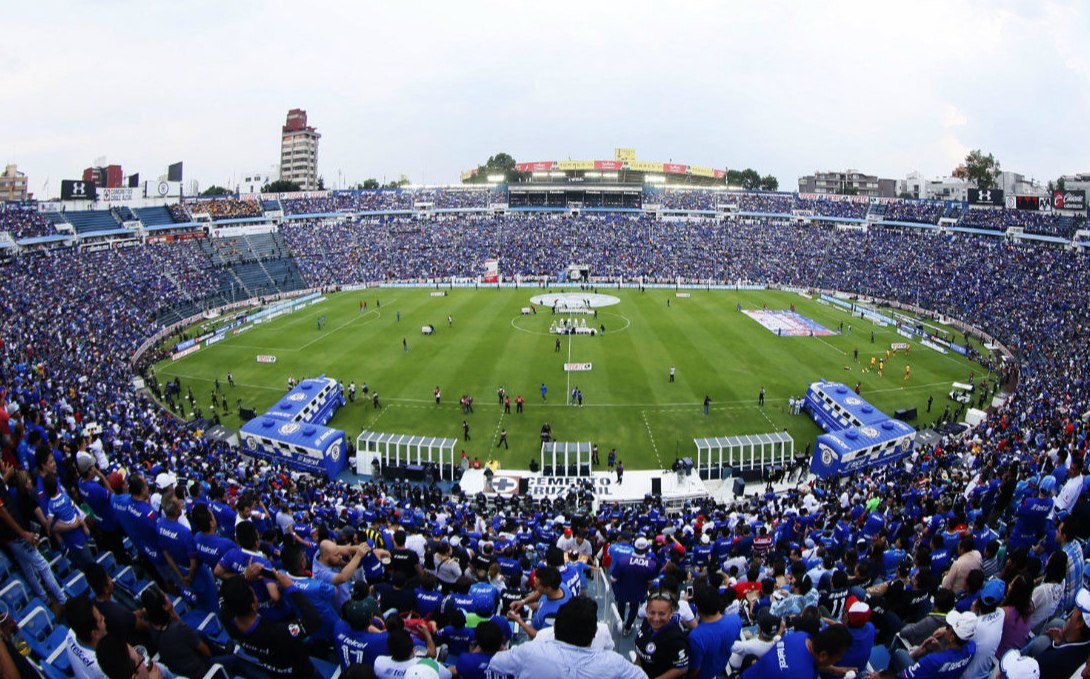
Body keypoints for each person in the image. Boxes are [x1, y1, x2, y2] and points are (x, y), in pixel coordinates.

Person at [488, 597, 646, 679]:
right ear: (595, 631)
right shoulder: (614, 663)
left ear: (555, 627)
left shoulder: (529, 651)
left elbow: (494, 664)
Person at [220, 562, 324, 679]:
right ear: (253, 606)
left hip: (270, 668)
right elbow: (314, 620)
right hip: (301, 673)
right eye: (254, 595)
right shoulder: (277, 632)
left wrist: (245, 577)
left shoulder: (226, 617)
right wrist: (291, 588)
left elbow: (225, 594)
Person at [879, 610, 978, 679]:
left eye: (947, 627)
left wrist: (918, 652)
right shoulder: (972, 649)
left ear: (952, 638)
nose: (945, 629)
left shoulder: (931, 660)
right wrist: (939, 651)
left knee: (900, 653)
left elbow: (900, 677)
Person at [741, 624, 854, 679]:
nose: (839, 660)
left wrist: (834, 670)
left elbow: (802, 661)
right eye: (838, 657)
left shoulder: (802, 636)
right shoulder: (804, 675)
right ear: (823, 655)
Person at [634, 587, 690, 679]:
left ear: (671, 613)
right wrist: (636, 667)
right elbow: (641, 647)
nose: (656, 619)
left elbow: (682, 668)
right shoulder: (647, 623)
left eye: (662, 614)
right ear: (647, 611)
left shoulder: (676, 639)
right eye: (652, 613)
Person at [688, 585, 739, 679]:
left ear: (698, 608)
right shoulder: (735, 620)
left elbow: (695, 668)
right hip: (723, 666)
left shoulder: (695, 636)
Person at [612, 537, 658, 635]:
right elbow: (650, 583)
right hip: (638, 592)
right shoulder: (651, 565)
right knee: (634, 609)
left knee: (621, 605)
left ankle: (621, 621)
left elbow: (613, 579)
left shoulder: (622, 561)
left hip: (622, 590)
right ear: (646, 549)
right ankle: (627, 628)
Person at [65, 595, 109, 679]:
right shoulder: (102, 666)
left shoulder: (71, 634)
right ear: (94, 633)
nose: (104, 618)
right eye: (100, 619)